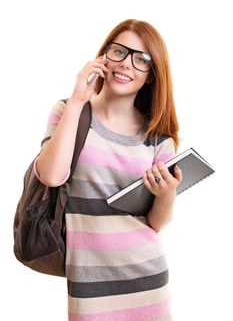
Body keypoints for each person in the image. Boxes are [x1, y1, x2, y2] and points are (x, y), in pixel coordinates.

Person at [34, 19, 182, 321]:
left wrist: (166, 194)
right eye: (119, 52)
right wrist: (77, 101)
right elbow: (50, 176)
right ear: (103, 56)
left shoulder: (158, 138)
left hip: (147, 279)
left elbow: (156, 222)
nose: (127, 64)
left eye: (141, 59)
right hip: (89, 283)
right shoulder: (67, 111)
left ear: (152, 76)